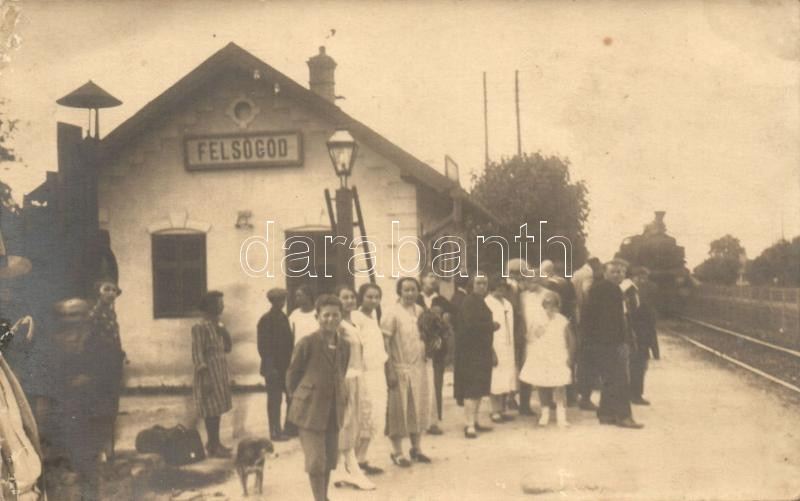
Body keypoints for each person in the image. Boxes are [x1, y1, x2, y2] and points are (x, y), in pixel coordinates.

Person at [286, 294, 350, 501]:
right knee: (315, 460)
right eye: (326, 315)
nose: (331, 319)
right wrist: (302, 400)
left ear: (341, 317)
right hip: (310, 411)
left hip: (333, 409)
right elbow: (292, 376)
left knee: (329, 458)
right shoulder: (307, 343)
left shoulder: (345, 345)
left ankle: (324, 496)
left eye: (335, 315)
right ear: (317, 317)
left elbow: (341, 371)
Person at [583, 259, 644, 429]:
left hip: (601, 342)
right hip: (610, 342)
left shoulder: (601, 288)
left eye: (621, 272)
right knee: (621, 379)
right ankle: (624, 416)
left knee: (609, 379)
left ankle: (606, 414)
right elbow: (612, 321)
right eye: (614, 272)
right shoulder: (611, 290)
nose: (618, 275)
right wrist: (621, 343)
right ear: (605, 273)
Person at [381, 277, 431, 467]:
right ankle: (397, 452)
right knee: (398, 412)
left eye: (413, 290)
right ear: (399, 292)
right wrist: (390, 370)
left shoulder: (420, 311)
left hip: (419, 368)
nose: (410, 293)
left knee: (417, 408)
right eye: (406, 290)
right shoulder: (392, 313)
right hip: (399, 367)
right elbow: (385, 343)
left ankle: (416, 449)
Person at [331, 285, 376, 491]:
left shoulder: (353, 324)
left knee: (355, 422)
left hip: (358, 377)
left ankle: (342, 469)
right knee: (346, 423)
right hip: (346, 379)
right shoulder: (339, 326)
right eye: (344, 297)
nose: (349, 300)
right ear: (337, 300)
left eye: (352, 297)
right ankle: (349, 469)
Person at [519, 291, 575, 427]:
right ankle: (545, 414)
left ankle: (561, 416)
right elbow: (531, 338)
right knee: (542, 385)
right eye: (547, 304)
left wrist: (570, 357)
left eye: (553, 304)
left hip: (558, 355)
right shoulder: (538, 319)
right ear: (543, 305)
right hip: (542, 356)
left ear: (558, 305)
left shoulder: (562, 320)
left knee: (560, 385)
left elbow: (571, 340)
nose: (550, 307)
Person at [86, 279, 126, 462]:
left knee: (111, 407)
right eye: (106, 289)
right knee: (101, 407)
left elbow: (115, 339)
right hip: (100, 367)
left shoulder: (111, 313)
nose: (111, 293)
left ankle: (110, 452)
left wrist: (120, 354)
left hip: (112, 366)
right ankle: (100, 451)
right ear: (98, 292)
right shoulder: (94, 314)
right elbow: (90, 342)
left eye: (113, 290)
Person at [191, 291, 234, 457]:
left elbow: (228, 348)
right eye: (219, 303)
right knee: (211, 410)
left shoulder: (218, 325)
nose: (222, 306)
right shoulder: (199, 327)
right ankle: (213, 445)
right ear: (210, 306)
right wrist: (206, 377)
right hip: (208, 373)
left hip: (219, 373)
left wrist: (223, 330)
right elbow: (197, 354)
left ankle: (214, 443)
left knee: (217, 408)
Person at [350, 283, 387, 476]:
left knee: (376, 416)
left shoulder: (374, 317)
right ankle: (353, 462)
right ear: (361, 298)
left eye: (376, 297)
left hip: (377, 373)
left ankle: (362, 459)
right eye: (369, 297)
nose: (373, 300)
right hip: (364, 373)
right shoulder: (356, 317)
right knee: (364, 415)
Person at [454, 274, 496, 439]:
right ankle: (469, 424)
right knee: (471, 389)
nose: (482, 286)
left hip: (481, 351)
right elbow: (471, 324)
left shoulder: (479, 301)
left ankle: (475, 421)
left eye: (485, 283)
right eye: (479, 283)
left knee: (479, 389)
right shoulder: (469, 302)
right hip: (470, 352)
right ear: (472, 285)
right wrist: (491, 325)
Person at [257, 288, 294, 442]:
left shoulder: (284, 317)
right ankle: (275, 431)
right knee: (274, 400)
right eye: (279, 300)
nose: (282, 302)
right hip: (272, 367)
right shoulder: (266, 320)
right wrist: (270, 367)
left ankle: (289, 428)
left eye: (283, 299)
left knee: (290, 397)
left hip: (285, 366)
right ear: (273, 301)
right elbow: (263, 346)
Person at [416, 271, 449, 435]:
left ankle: (434, 421)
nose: (433, 279)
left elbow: (451, 319)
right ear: (422, 279)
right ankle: (418, 420)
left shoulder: (441, 300)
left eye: (436, 277)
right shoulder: (415, 298)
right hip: (417, 347)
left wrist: (443, 327)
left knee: (436, 383)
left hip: (437, 347)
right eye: (430, 276)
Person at [624, 266, 658, 405]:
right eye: (641, 278)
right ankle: (635, 395)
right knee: (638, 365)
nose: (643, 281)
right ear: (634, 277)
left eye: (644, 278)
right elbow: (631, 314)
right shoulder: (629, 291)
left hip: (638, 333)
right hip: (636, 334)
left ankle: (634, 394)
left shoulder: (634, 291)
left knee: (637, 365)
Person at [573, 257, 603, 411]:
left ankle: (577, 394)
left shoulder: (577, 272)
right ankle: (585, 398)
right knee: (589, 360)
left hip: (579, 317)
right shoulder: (588, 275)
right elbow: (586, 293)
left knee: (581, 359)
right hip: (588, 319)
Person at [485, 275, 516, 424]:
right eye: (498, 286)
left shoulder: (508, 304)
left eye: (503, 286)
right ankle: (494, 410)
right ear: (492, 287)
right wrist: (490, 349)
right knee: (495, 377)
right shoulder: (487, 302)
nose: (501, 289)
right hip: (495, 344)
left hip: (508, 346)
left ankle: (502, 410)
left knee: (507, 377)